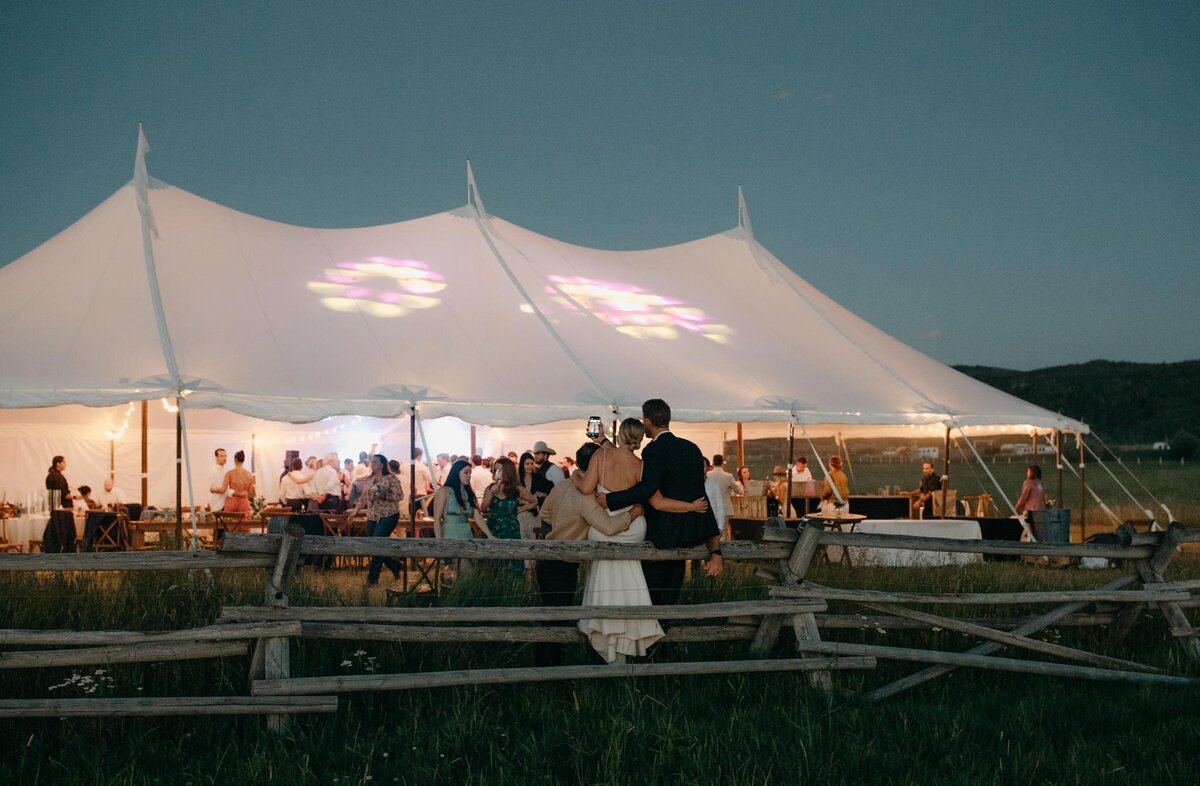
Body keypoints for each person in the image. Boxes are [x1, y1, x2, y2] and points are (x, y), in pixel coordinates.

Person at [596, 401, 722, 608]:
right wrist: (715, 548)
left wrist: (611, 499)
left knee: (652, 594)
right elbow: (700, 495)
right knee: (671, 593)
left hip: (661, 533)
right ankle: (666, 624)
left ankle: (655, 625)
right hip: (688, 533)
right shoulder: (691, 448)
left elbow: (646, 488)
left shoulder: (653, 450)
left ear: (646, 421)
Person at [535, 441, 644, 666]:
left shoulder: (562, 486)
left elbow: (544, 513)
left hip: (546, 556)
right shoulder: (587, 498)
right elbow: (609, 527)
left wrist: (563, 524)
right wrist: (634, 512)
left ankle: (546, 666)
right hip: (564, 561)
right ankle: (548, 669)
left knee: (549, 614)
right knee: (557, 618)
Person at [349, 453, 406, 586]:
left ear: (381, 464)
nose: (372, 464)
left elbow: (399, 496)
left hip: (388, 515)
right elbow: (364, 497)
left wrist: (384, 495)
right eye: (372, 462)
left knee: (377, 543)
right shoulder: (370, 479)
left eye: (375, 462)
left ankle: (372, 579)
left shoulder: (391, 478)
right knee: (372, 544)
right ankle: (395, 565)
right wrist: (355, 512)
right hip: (372, 515)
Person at [478, 457, 538, 574]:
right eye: (495, 470)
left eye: (500, 470)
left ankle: (512, 583)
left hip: (511, 529)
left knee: (512, 562)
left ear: (508, 472)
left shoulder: (517, 489)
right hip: (493, 528)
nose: (497, 473)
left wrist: (518, 511)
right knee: (491, 564)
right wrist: (491, 493)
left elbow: (534, 502)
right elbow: (483, 508)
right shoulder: (490, 488)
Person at [432, 459, 478, 541]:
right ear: (457, 473)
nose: (469, 476)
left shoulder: (469, 493)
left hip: (466, 534)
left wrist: (490, 535)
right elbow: (437, 520)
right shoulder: (444, 491)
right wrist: (439, 541)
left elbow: (479, 517)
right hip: (449, 534)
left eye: (470, 473)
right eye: (466, 472)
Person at [706, 455, 738, 535]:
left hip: (709, 507)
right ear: (722, 463)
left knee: (709, 532)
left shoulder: (707, 475)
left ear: (713, 463)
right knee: (722, 534)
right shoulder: (728, 476)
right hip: (725, 508)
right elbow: (739, 491)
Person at [208, 448, 230, 513]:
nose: (224, 458)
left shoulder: (224, 470)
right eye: (222, 456)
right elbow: (222, 490)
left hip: (224, 503)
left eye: (225, 456)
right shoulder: (214, 471)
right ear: (216, 458)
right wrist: (236, 492)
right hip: (218, 504)